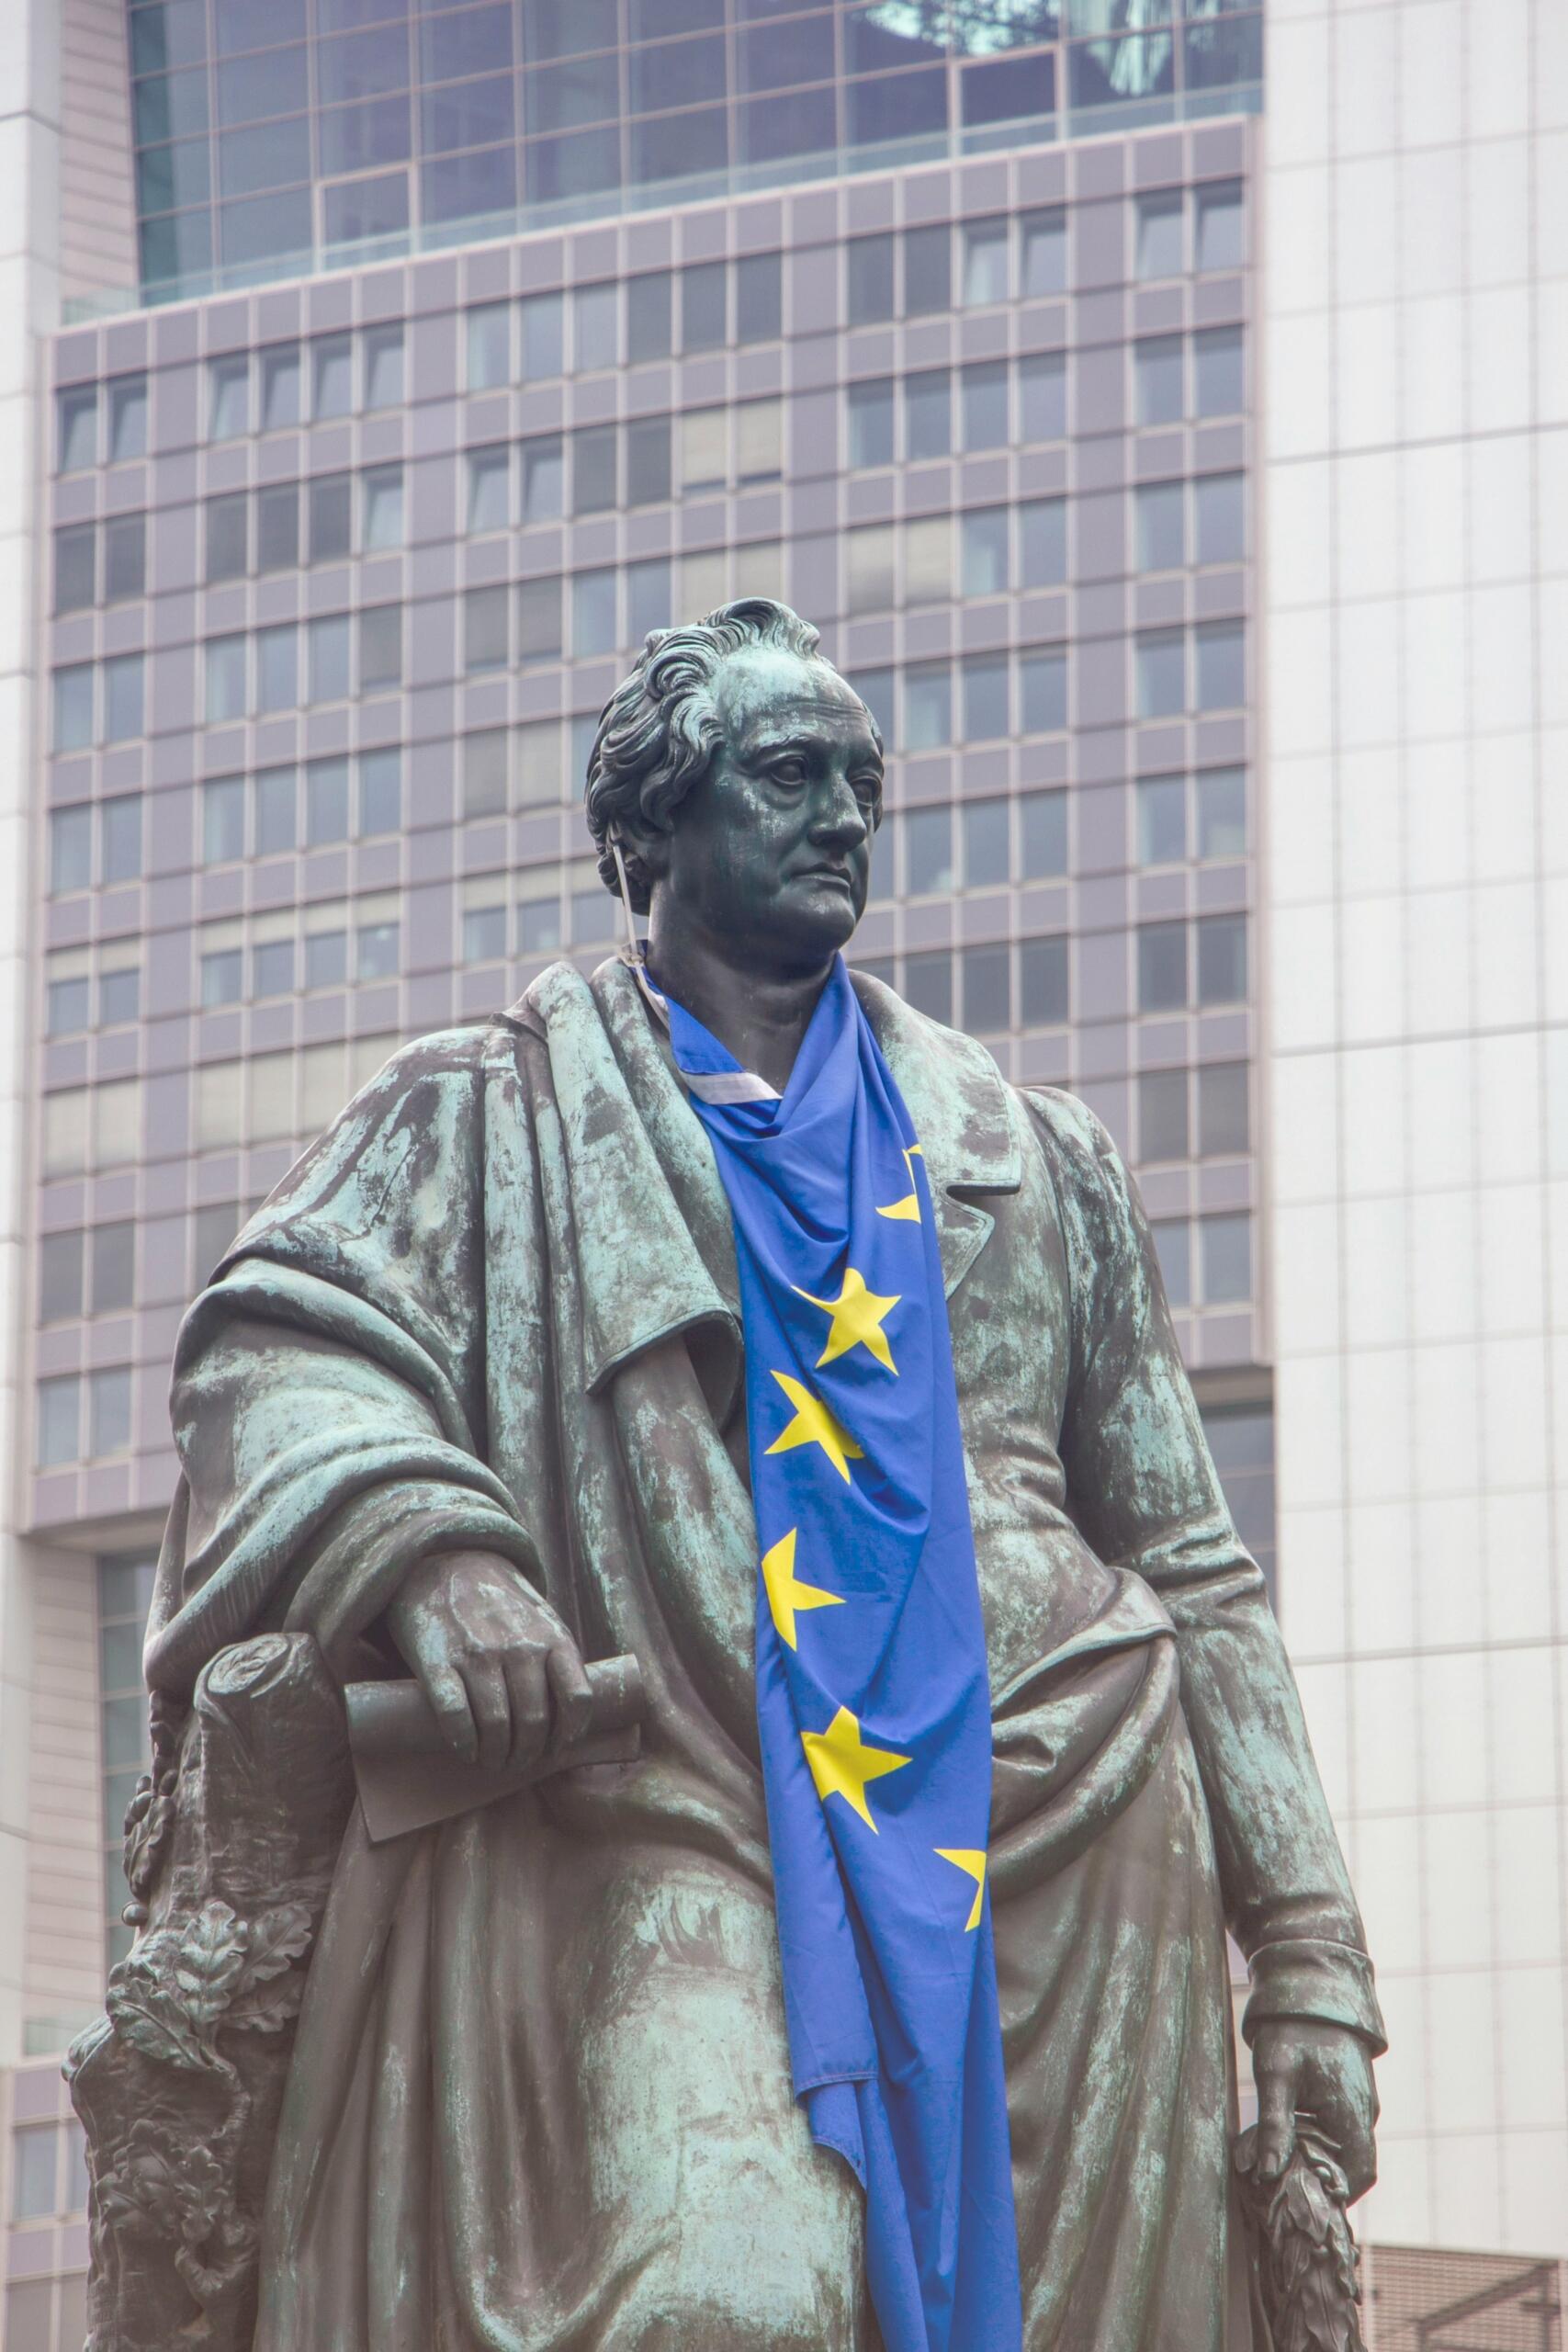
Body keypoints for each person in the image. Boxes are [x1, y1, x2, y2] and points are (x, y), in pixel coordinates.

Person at [143, 599, 1381, 2348]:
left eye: (864, 782)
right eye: (788, 773)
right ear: (641, 833)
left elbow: (1196, 1565)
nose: (844, 816)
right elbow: (268, 1350)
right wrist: (435, 1553)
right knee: (727, 2292)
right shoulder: (486, 1116)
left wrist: (1312, 1962)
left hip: (1071, 1844)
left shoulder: (1035, 1158)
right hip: (672, 1803)